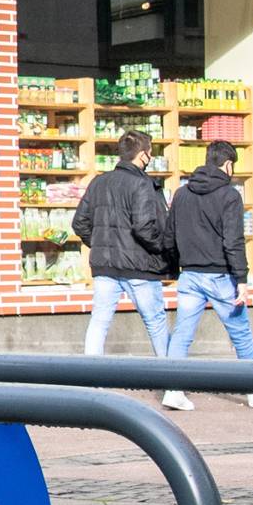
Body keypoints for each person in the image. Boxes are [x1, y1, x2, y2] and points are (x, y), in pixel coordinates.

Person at [162, 139, 253, 411]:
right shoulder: (230, 196)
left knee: (183, 333)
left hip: (190, 276)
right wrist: (242, 279)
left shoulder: (182, 193)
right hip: (220, 276)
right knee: (240, 332)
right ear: (228, 164)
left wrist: (175, 269)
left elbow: (170, 237)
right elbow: (233, 240)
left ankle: (172, 390)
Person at [69, 129, 173, 357]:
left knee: (99, 322)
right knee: (155, 322)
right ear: (143, 155)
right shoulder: (142, 184)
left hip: (105, 266)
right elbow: (145, 227)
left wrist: (99, 244)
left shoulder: (99, 182)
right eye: (150, 153)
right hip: (140, 265)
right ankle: (171, 382)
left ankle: (90, 379)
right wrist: (162, 250)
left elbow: (79, 223)